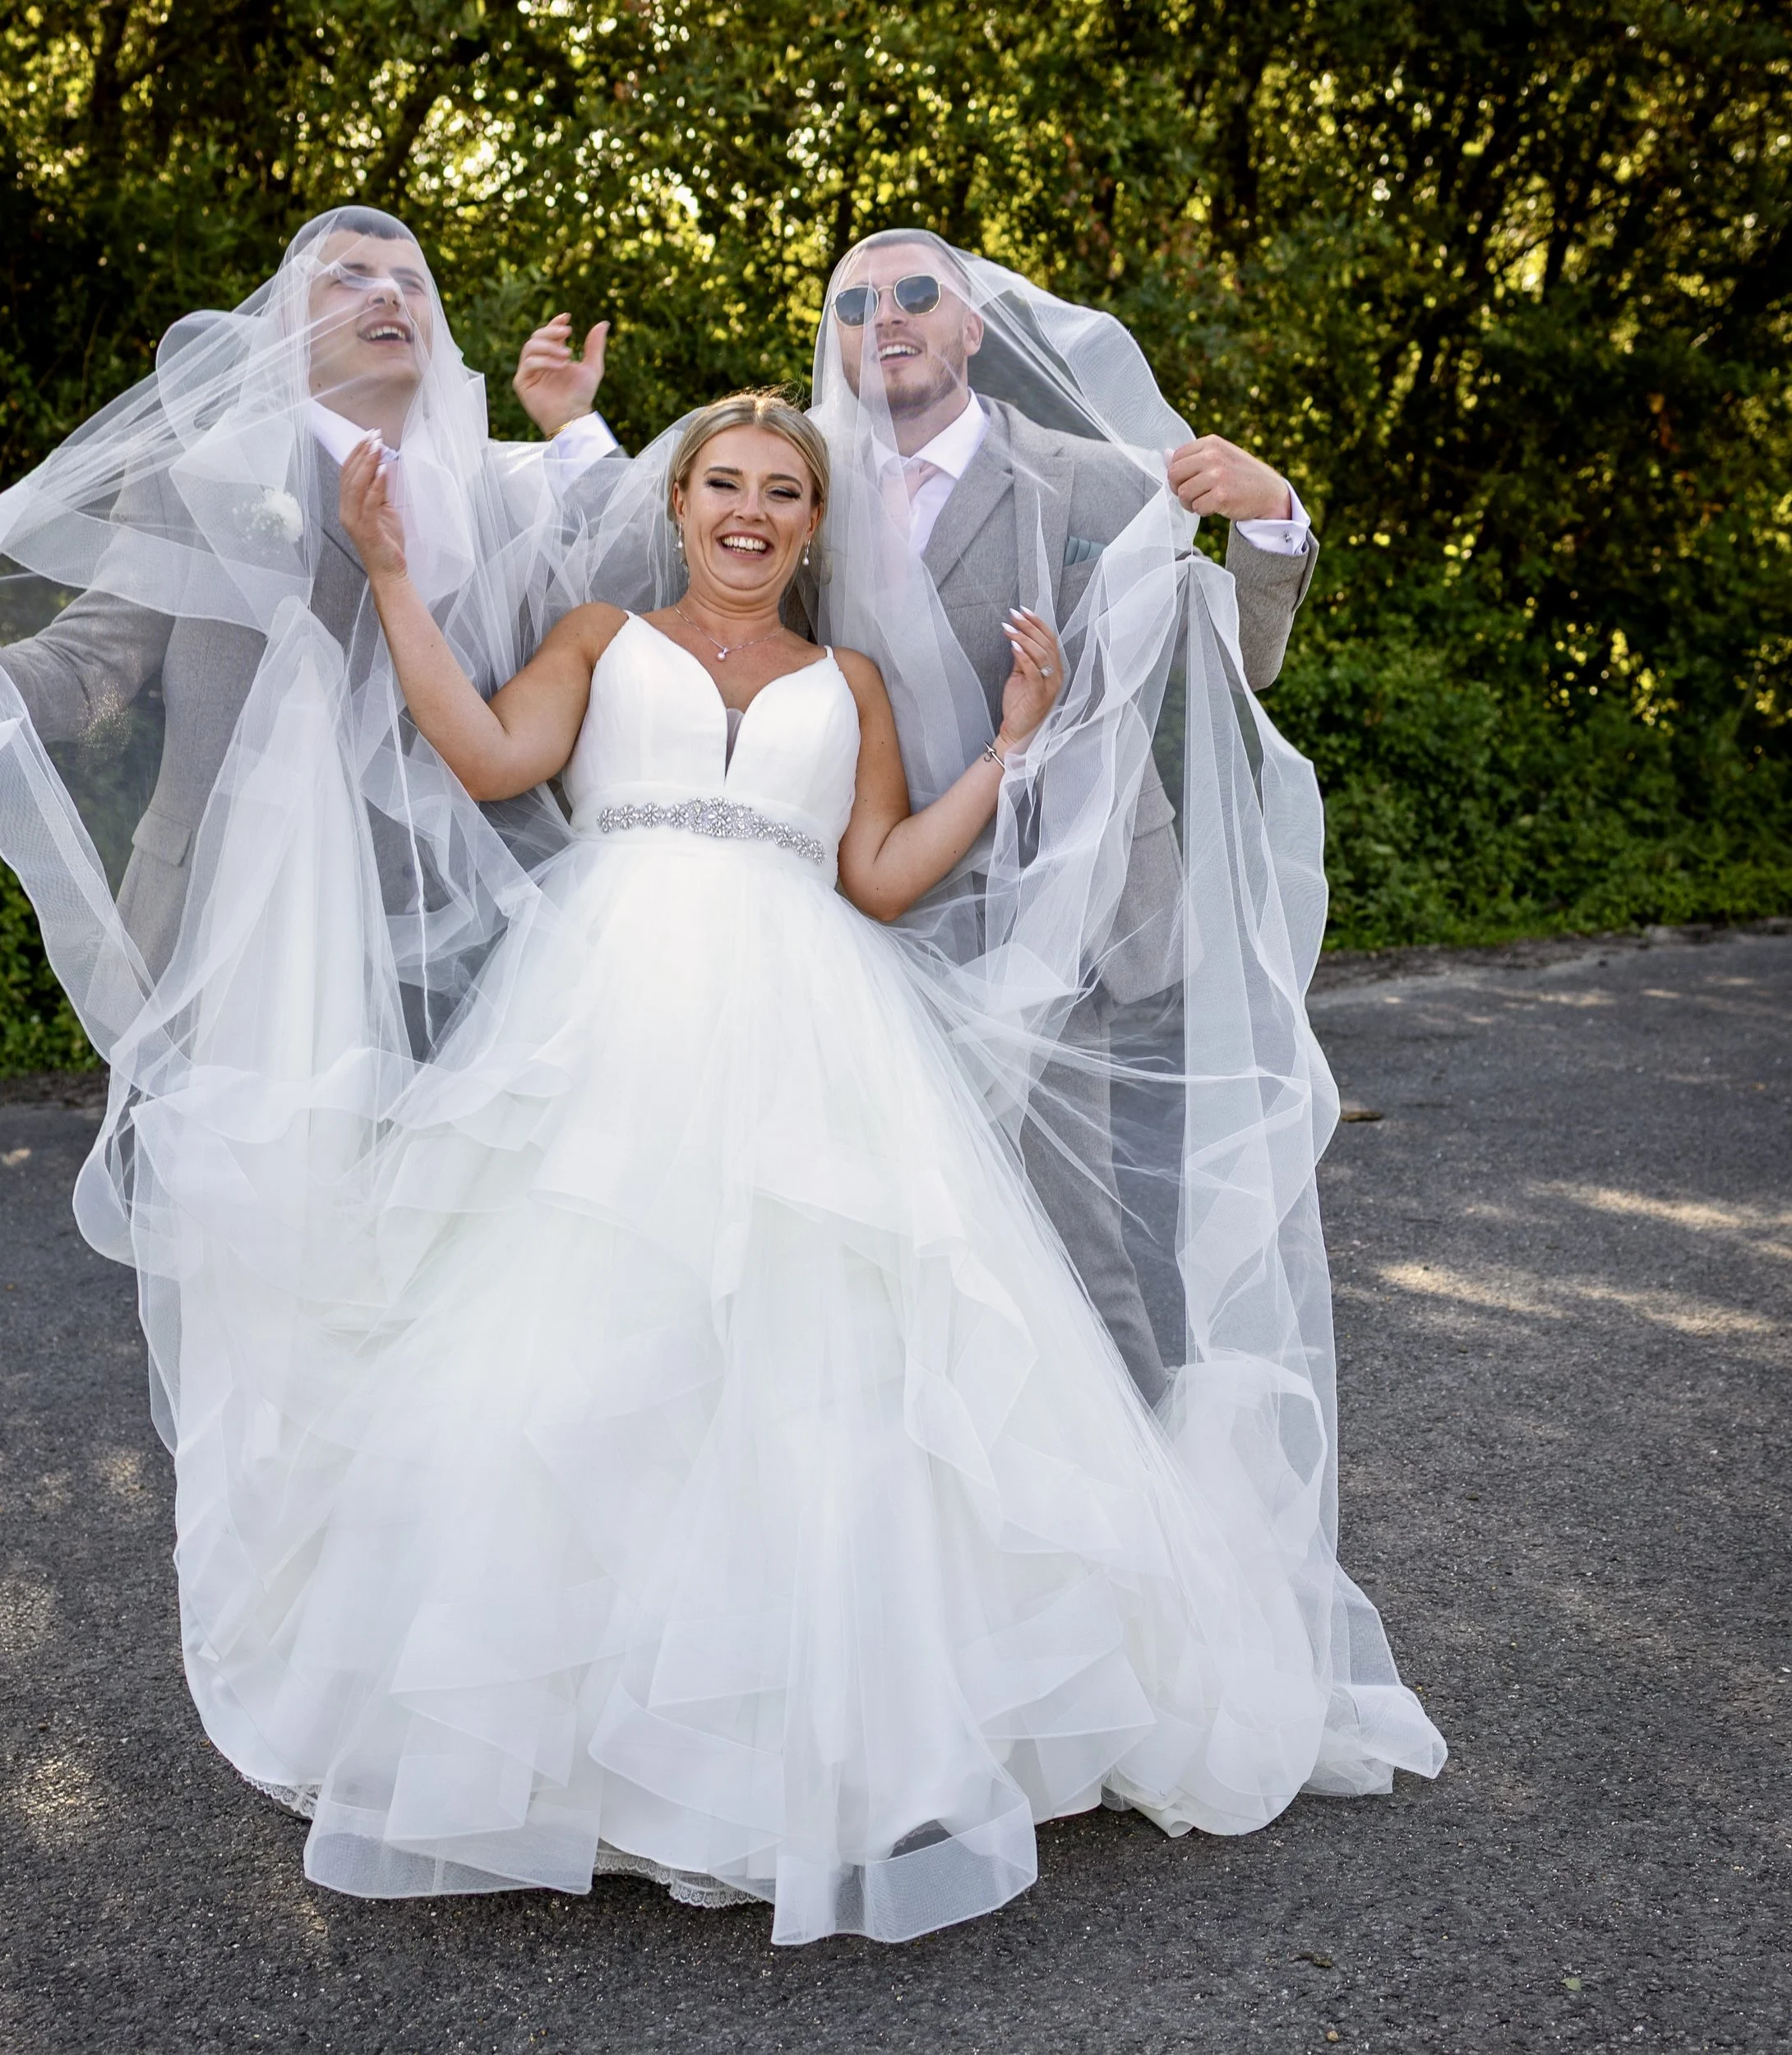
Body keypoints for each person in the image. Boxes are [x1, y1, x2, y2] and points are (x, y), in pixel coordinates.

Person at [86, 388, 1443, 1946]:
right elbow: (484, 755)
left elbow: (875, 876)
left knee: (829, 1355)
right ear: (679, 505)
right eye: (723, 484)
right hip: (609, 1016)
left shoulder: (847, 677)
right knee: (576, 1343)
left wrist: (1003, 752)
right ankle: (568, 1738)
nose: (750, 510)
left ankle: (821, 1735)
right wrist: (391, 574)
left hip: (814, 1028)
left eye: (783, 491)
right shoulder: (599, 640)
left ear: (811, 524)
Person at [807, 229, 1319, 1402]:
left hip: (1074, 917)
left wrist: (1272, 514)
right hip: (868, 911)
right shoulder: (804, 492)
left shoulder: (1094, 480)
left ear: (973, 327)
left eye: (917, 292)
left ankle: (1151, 1534)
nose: (885, 315)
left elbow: (1236, 654)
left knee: (1085, 1253)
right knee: (885, 1234)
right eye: (855, 302)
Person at [0, 205, 617, 985]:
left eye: (412, 284)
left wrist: (573, 425)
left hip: (431, 935)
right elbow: (91, 669)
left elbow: (637, 591)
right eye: (351, 279)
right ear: (286, 325)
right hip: (213, 924)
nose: (391, 296)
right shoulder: (197, 477)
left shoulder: (499, 500)